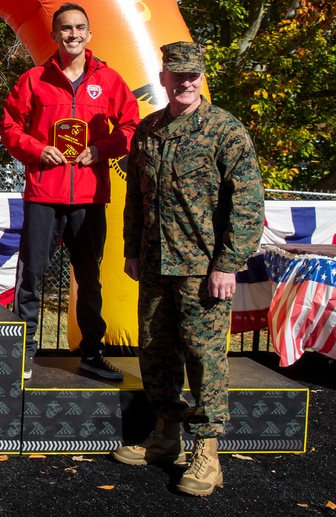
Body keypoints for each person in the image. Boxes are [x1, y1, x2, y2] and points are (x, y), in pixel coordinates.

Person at [111, 41, 263, 497]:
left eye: (193, 74)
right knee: (156, 351)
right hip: (156, 263)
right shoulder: (149, 130)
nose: (186, 82)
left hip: (203, 269)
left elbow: (248, 202)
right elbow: (136, 196)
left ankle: (208, 452)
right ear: (164, 79)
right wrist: (133, 250)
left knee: (204, 358)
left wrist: (229, 263)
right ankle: (164, 436)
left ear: (201, 76)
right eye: (177, 75)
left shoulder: (225, 130)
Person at [1, 3, 139, 380]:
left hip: (90, 197)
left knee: (89, 277)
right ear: (54, 35)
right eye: (65, 28)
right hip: (45, 193)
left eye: (80, 27)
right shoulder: (33, 79)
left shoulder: (109, 80)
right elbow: (10, 126)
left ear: (89, 34)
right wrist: (35, 148)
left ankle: (91, 354)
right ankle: (24, 353)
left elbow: (130, 126)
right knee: (32, 275)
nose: (73, 34)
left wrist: (100, 149)